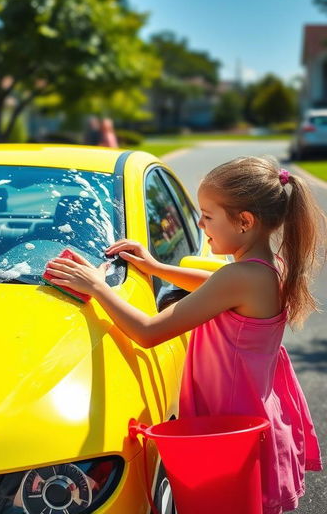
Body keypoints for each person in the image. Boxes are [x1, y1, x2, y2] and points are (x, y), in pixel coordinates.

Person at [46, 157, 323, 514]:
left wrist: (99, 288)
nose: (199, 223)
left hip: (229, 428)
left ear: (245, 222)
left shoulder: (239, 278)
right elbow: (215, 287)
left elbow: (148, 333)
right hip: (249, 414)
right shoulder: (264, 269)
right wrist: (157, 267)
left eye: (208, 216)